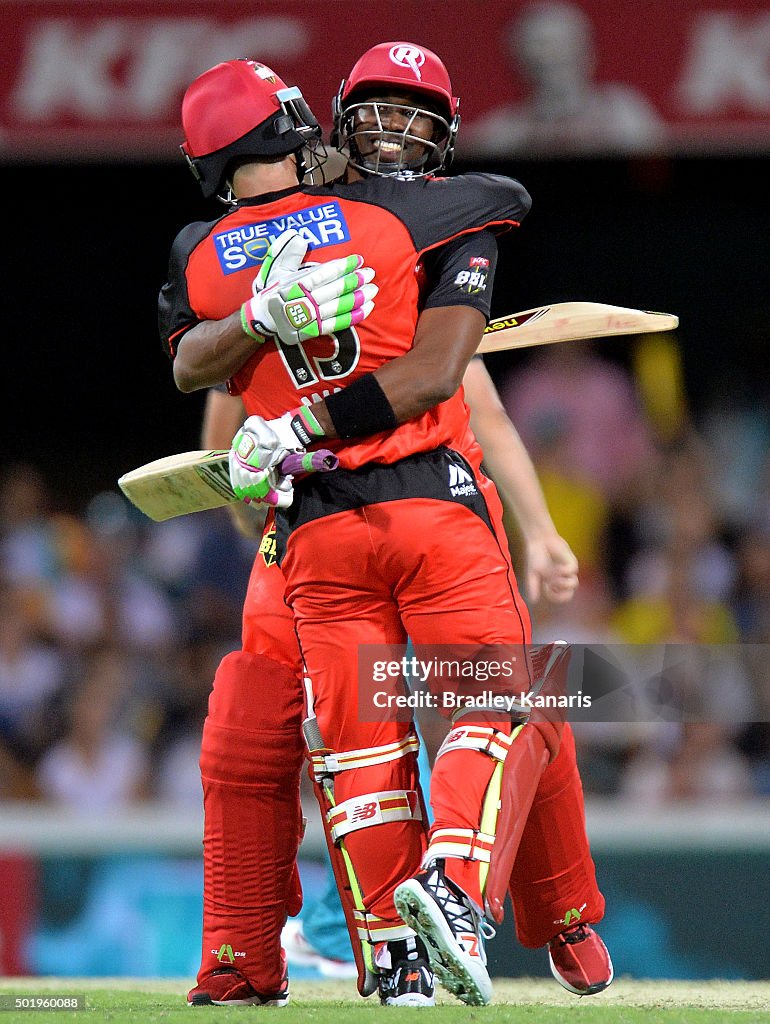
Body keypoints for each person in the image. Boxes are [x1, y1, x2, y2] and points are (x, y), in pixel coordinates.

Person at [159, 45, 608, 1007]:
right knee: (286, 729)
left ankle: (551, 922)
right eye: (376, 111)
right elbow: (449, 350)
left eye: (413, 114)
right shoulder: (428, 216)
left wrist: (539, 527)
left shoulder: (207, 247)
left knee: (368, 734)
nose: (392, 132)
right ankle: (304, 947)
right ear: (317, 121)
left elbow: (205, 362)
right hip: (339, 505)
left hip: (326, 496)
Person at [467, 1, 665, 158]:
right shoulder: (501, 133)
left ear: (588, 55)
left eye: (563, 48)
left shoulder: (625, 114)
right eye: (538, 50)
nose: (549, 59)